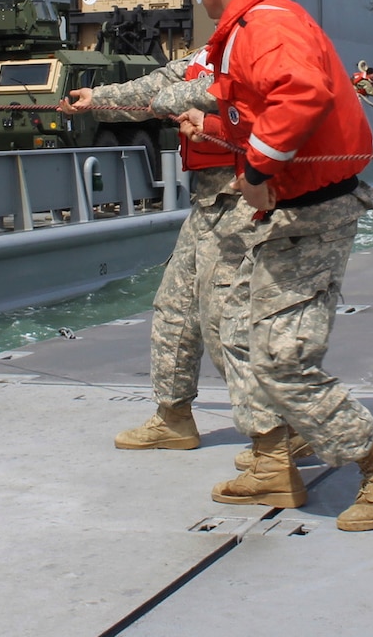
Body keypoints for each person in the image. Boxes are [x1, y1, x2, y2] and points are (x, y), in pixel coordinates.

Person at [177, 0, 373, 532]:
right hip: (299, 212)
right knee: (269, 350)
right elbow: (263, 111)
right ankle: (292, 454)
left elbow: (301, 94)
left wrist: (257, 172)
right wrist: (212, 128)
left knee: (281, 358)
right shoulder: (255, 27)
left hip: (314, 213)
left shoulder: (263, 26)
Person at [60, 47, 287, 457]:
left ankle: (277, 433)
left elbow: (249, 100)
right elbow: (155, 86)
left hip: (246, 198)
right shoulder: (206, 54)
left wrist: (179, 98)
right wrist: (97, 100)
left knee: (225, 318)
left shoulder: (261, 50)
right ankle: (174, 416)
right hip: (207, 201)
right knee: (175, 308)